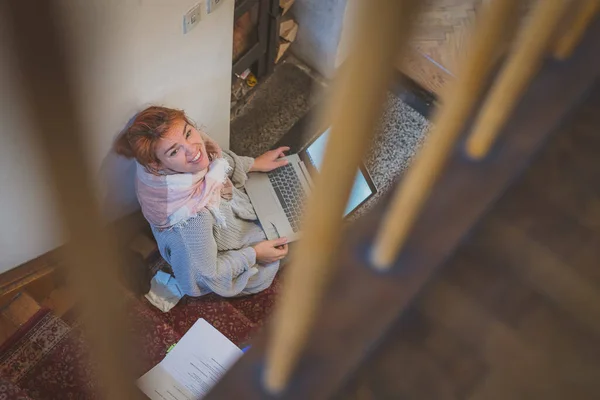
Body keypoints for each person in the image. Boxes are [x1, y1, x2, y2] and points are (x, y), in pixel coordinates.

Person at [115, 106, 290, 297]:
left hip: (231, 221)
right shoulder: (191, 220)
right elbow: (206, 277)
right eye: (174, 152)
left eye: (188, 133)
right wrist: (255, 254)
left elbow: (217, 164)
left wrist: (254, 164)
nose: (193, 150)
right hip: (236, 255)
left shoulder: (164, 170)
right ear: (157, 166)